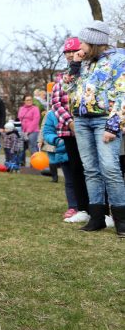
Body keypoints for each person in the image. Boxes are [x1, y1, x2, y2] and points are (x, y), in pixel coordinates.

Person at [62, 20, 125, 236]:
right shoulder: (84, 62)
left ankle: (121, 222)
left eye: (84, 43)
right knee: (90, 170)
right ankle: (96, 217)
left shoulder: (118, 60)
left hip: (104, 121)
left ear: (95, 42)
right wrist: (75, 65)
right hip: (81, 120)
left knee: (110, 168)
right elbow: (66, 87)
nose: (80, 48)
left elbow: (122, 94)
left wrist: (114, 125)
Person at [51, 37, 90, 224]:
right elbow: (56, 103)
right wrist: (70, 122)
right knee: (75, 169)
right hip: (69, 131)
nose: (69, 55)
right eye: (66, 52)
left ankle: (98, 207)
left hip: (88, 127)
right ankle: (80, 207)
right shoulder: (61, 77)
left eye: (73, 51)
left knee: (91, 168)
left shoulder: (89, 71)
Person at [41, 109, 80, 219]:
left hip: (83, 151)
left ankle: (87, 207)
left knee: (87, 179)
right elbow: (47, 132)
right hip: (64, 151)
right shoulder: (53, 113)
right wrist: (58, 141)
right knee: (69, 181)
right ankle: (73, 207)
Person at [17, 95, 41, 164]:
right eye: (27, 100)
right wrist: (19, 129)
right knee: (22, 147)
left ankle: (36, 162)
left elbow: (36, 121)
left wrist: (28, 131)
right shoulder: (21, 108)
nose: (29, 101)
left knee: (32, 146)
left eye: (30, 100)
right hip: (22, 131)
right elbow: (19, 119)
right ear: (24, 101)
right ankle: (22, 162)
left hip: (33, 131)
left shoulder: (35, 108)